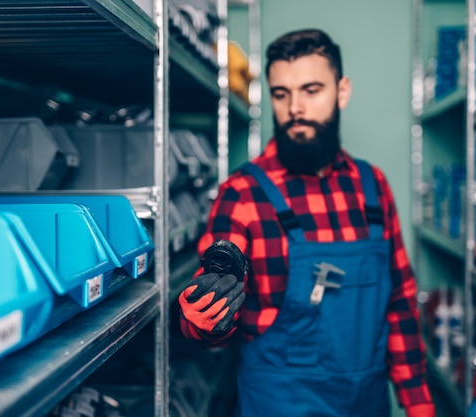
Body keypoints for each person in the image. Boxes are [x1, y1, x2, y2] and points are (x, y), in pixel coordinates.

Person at [178, 28, 436, 417]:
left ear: (342, 91)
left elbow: (399, 302)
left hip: (367, 402)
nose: (295, 107)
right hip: (278, 402)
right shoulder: (243, 193)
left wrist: (419, 405)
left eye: (311, 90)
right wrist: (203, 318)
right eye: (281, 94)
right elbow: (215, 294)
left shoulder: (373, 187)